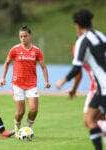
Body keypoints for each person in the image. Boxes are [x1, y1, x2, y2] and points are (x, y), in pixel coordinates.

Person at [56, 9, 106, 150]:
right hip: (100, 89)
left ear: (77, 24)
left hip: (103, 88)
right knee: (90, 119)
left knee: (91, 120)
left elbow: (77, 68)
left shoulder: (82, 41)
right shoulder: (101, 36)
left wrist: (63, 80)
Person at [0, 25, 51, 137]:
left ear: (30, 36)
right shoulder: (15, 49)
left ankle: (28, 129)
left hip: (31, 84)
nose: (23, 38)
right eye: (21, 36)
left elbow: (43, 66)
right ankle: (17, 129)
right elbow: (7, 63)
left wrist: (46, 81)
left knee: (34, 109)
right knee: (20, 112)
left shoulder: (36, 51)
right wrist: (3, 77)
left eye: (25, 36)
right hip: (17, 84)